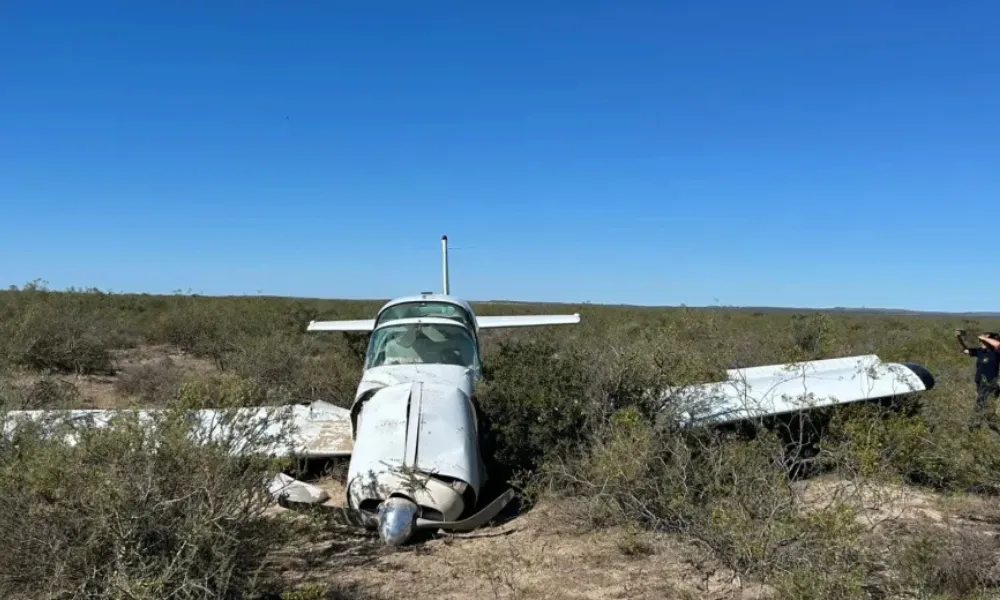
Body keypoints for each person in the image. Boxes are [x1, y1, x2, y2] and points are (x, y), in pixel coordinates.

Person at [956, 329, 1000, 413]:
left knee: (980, 407)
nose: (981, 342)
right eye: (980, 340)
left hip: (990, 384)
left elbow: (998, 344)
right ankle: (991, 424)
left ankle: (973, 425)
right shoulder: (980, 351)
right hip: (980, 383)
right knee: (986, 408)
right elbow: (964, 350)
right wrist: (958, 337)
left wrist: (983, 337)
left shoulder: (996, 352)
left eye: (983, 341)